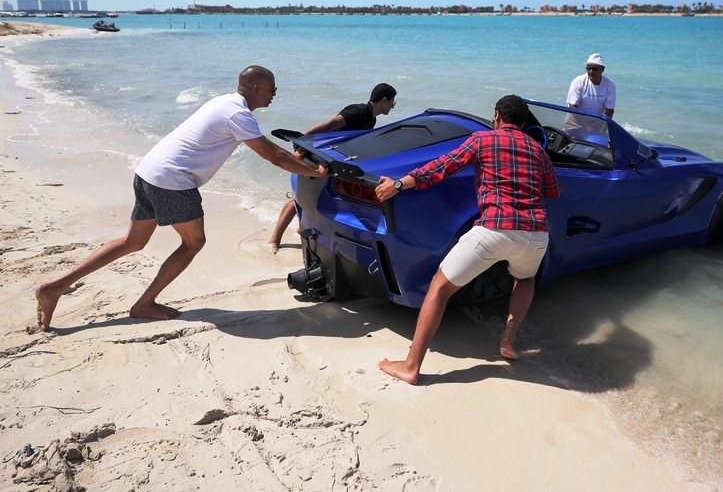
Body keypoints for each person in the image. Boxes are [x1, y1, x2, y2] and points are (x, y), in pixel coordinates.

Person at [34, 65, 327, 332]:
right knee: (193, 243)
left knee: (132, 242)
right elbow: (273, 156)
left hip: (149, 171)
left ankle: (56, 286)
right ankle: (143, 304)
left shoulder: (223, 102)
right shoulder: (238, 114)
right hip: (172, 181)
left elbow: (273, 152)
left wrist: (300, 162)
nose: (275, 95)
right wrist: (315, 171)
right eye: (272, 89)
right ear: (256, 88)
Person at [374, 95, 560, 385]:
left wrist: (398, 184)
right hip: (536, 233)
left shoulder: (482, 139)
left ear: (496, 116)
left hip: (494, 228)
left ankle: (411, 366)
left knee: (439, 287)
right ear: (523, 124)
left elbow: (441, 168)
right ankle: (509, 344)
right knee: (524, 280)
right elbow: (552, 191)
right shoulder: (538, 150)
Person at [266, 83, 397, 252]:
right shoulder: (357, 111)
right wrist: (302, 144)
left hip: (331, 162)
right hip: (315, 156)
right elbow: (329, 125)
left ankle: (303, 228)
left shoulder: (371, 119)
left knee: (317, 197)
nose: (392, 107)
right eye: (392, 103)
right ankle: (274, 239)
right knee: (299, 197)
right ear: (384, 100)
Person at [567, 52, 615, 117]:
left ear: (602, 69)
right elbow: (573, 108)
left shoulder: (610, 85)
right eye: (589, 68)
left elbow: (609, 111)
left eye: (595, 69)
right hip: (576, 120)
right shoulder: (577, 81)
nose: (591, 71)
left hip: (597, 122)